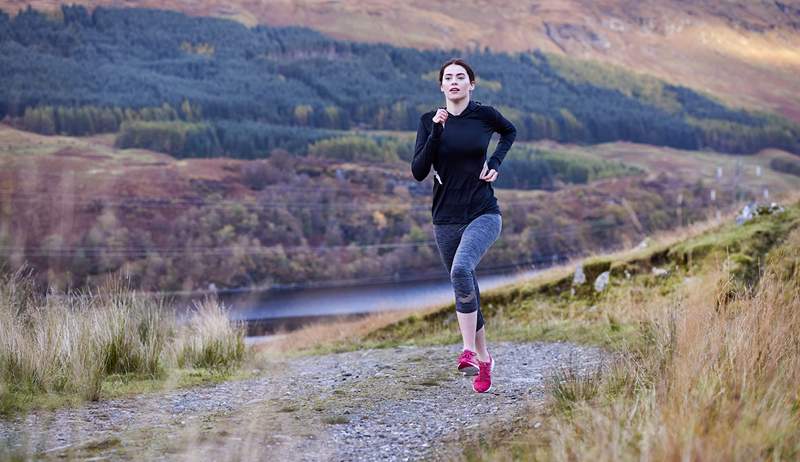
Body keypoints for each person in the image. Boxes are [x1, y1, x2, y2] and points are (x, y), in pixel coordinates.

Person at [411, 58, 516, 393]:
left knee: (460, 271)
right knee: (465, 284)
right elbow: (418, 170)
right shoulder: (429, 121)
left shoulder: (485, 115)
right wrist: (436, 132)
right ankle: (484, 359)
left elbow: (509, 131)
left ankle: (468, 351)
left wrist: (496, 162)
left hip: (483, 212)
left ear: (472, 84)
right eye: (448, 78)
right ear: (441, 86)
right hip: (445, 218)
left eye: (461, 77)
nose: (454, 82)